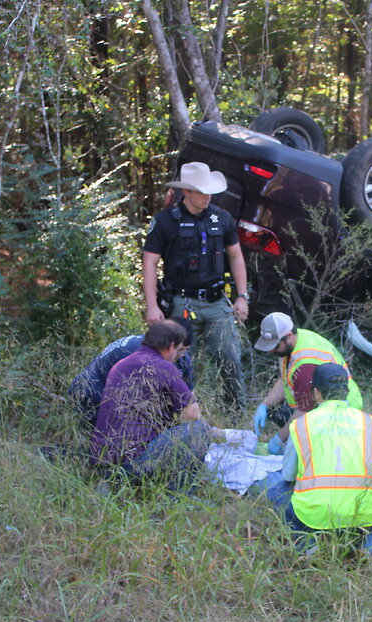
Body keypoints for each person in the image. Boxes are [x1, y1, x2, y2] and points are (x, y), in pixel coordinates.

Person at [142, 162, 250, 413]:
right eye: (200, 190)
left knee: (230, 358)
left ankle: (237, 414)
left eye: (209, 190)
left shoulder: (221, 218)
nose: (207, 195)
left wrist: (242, 297)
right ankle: (175, 416)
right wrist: (152, 306)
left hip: (216, 303)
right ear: (186, 192)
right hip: (181, 303)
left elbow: (235, 256)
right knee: (178, 362)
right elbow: (150, 262)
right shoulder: (165, 221)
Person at [258, 363, 372, 558]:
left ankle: (307, 545)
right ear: (347, 391)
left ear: (316, 392)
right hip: (362, 512)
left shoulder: (301, 425)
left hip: (314, 514)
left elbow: (288, 475)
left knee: (277, 491)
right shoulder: (369, 422)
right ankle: (370, 546)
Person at [89, 319, 215, 491]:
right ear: (171, 346)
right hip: (136, 461)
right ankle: (177, 494)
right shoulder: (164, 367)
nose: (179, 356)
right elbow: (192, 415)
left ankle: (113, 480)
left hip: (104, 458)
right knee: (200, 430)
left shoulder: (122, 364)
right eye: (179, 350)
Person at [251, 311, 364, 456]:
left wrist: (279, 439)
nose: (271, 350)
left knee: (320, 453)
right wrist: (265, 405)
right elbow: (284, 378)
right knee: (277, 413)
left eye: (275, 346)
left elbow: (304, 410)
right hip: (317, 401)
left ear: (289, 336)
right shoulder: (293, 343)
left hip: (341, 409)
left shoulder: (305, 365)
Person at [68, 319, 196, 429]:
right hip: (91, 393)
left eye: (184, 350)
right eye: (178, 349)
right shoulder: (139, 354)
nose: (180, 355)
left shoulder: (181, 359)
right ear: (170, 343)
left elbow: (188, 401)